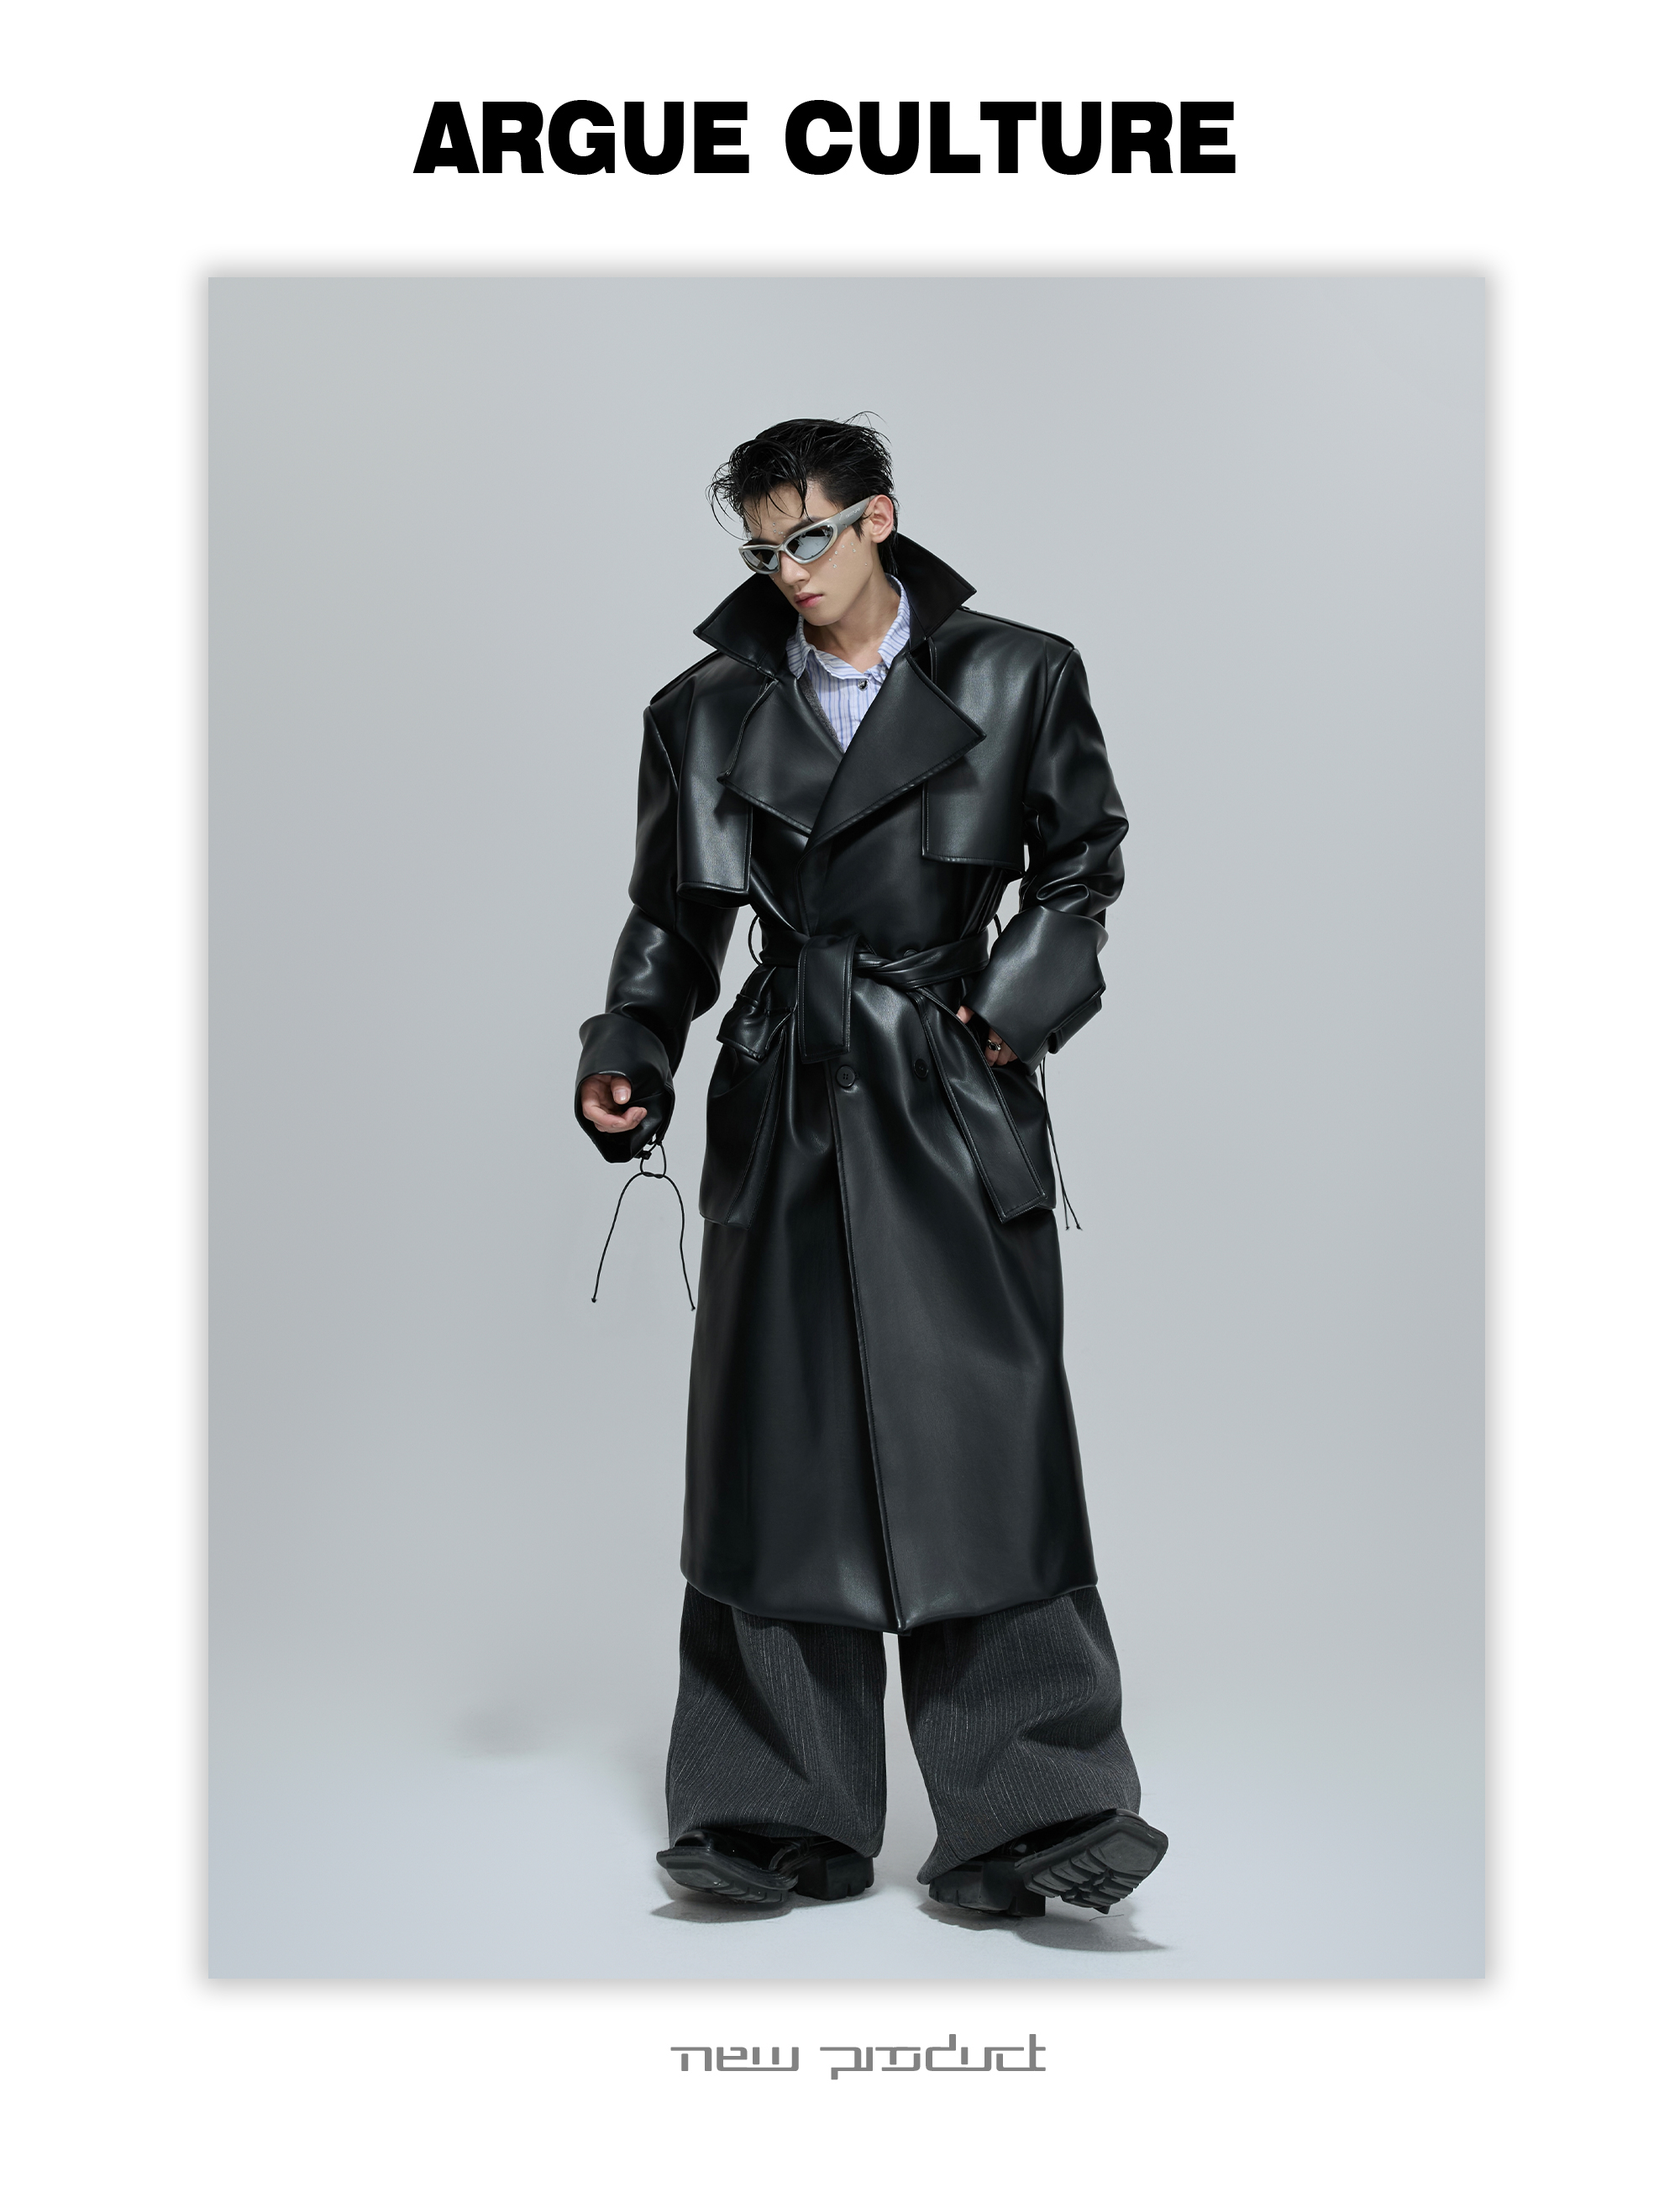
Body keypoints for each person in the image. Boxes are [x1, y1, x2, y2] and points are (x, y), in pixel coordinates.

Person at [576, 416, 1167, 1918]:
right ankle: (769, 1812)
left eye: (812, 537)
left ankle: (1036, 1813)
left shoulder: (1018, 673)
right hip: (784, 1093)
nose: (789, 571)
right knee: (779, 1457)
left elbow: (1081, 862)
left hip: (947, 1093)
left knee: (987, 1447)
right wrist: (632, 1044)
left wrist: (1008, 1015)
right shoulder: (704, 707)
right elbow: (672, 914)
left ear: (879, 518)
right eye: (763, 549)